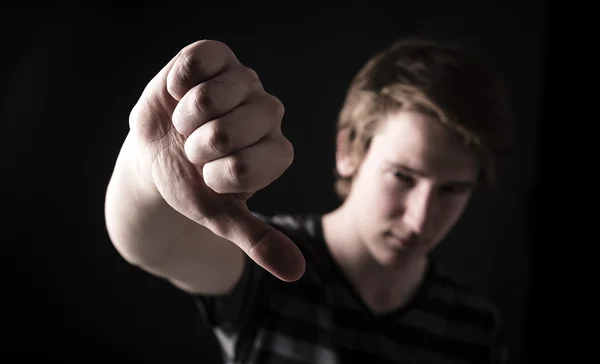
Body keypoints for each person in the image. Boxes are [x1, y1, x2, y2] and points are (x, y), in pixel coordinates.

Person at [104, 36, 515, 364]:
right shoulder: (269, 265)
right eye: (402, 176)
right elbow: (150, 244)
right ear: (347, 151)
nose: (421, 220)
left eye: (452, 190)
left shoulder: (475, 327)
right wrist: (147, 171)